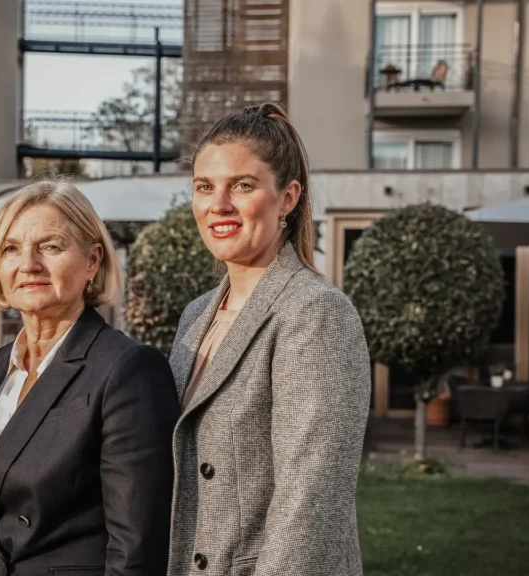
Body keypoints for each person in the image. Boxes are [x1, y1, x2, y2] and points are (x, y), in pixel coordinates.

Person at [167, 102, 371, 576]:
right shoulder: (196, 314)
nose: (218, 204)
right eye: (204, 186)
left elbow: (310, 502)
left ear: (287, 198)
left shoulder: (315, 312)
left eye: (242, 185)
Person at [0, 180, 179, 576]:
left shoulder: (128, 369)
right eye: (10, 249)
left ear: (93, 261)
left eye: (51, 247)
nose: (28, 264)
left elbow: (137, 550)